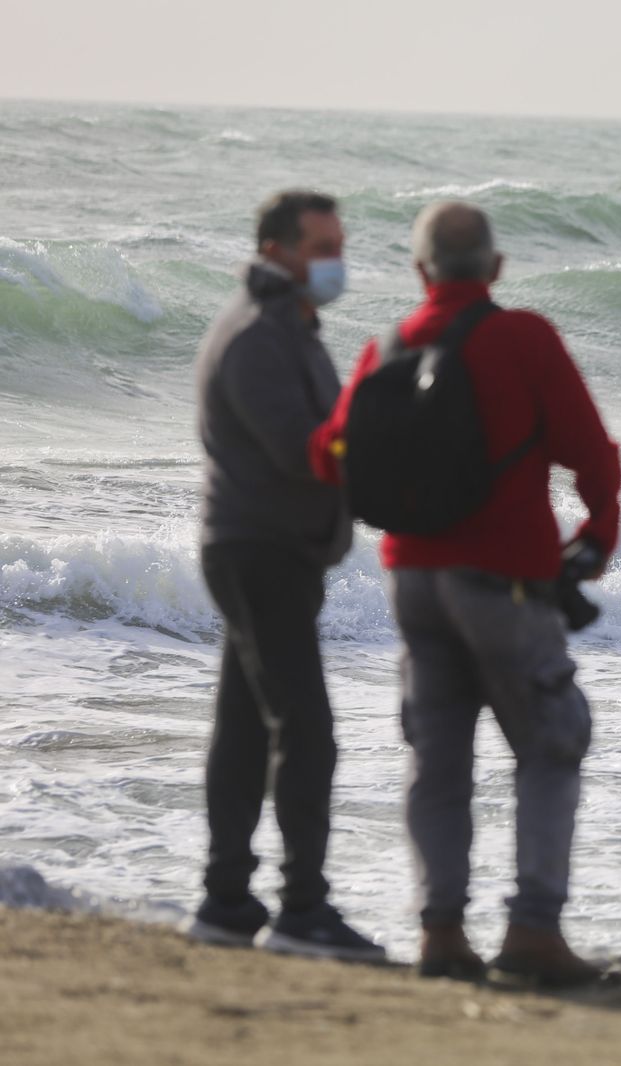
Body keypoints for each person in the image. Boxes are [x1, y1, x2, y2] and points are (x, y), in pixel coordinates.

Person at [309, 201, 621, 984]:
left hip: (411, 580)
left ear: (420, 272)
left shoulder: (385, 345)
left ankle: (441, 934)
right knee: (551, 744)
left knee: (438, 759)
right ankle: (533, 933)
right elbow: (593, 453)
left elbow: (327, 455)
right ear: (496, 267)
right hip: (504, 580)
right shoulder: (524, 337)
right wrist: (596, 537)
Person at [185, 190, 384, 962]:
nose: (333, 260)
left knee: (243, 727)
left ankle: (226, 901)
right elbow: (305, 449)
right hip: (258, 550)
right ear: (274, 249)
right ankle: (303, 910)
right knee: (306, 728)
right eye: (319, 246)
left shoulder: (289, 325)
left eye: (338, 244)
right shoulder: (259, 335)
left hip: (274, 549)